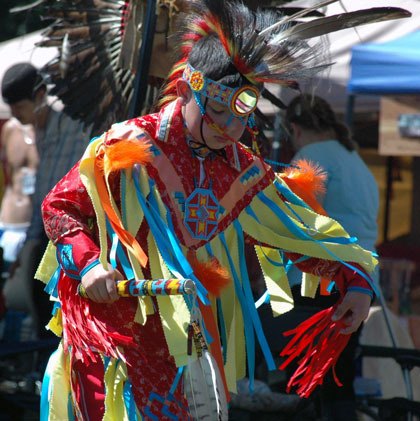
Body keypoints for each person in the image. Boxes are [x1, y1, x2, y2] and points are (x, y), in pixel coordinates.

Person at [37, 2, 378, 419]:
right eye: (216, 111)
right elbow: (61, 207)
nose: (229, 129)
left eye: (241, 116)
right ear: (185, 89)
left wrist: (355, 283)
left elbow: (295, 232)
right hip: (112, 339)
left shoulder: (240, 168)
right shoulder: (129, 147)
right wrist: (89, 266)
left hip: (183, 339)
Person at [283, 93, 380, 420]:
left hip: (318, 279)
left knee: (305, 377)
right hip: (361, 283)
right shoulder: (357, 161)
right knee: (340, 377)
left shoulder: (310, 155)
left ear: (295, 129)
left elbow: (294, 223)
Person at [1, 62, 90, 338]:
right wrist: (29, 242)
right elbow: (42, 193)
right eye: (12, 110)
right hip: (46, 234)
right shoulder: (36, 134)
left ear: (40, 95)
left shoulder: (76, 126)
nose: (16, 115)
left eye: (20, 108)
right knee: (42, 313)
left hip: (76, 233)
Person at [0, 117, 37, 274]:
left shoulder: (48, 131)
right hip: (8, 219)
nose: (16, 111)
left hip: (32, 224)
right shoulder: (10, 128)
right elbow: (7, 171)